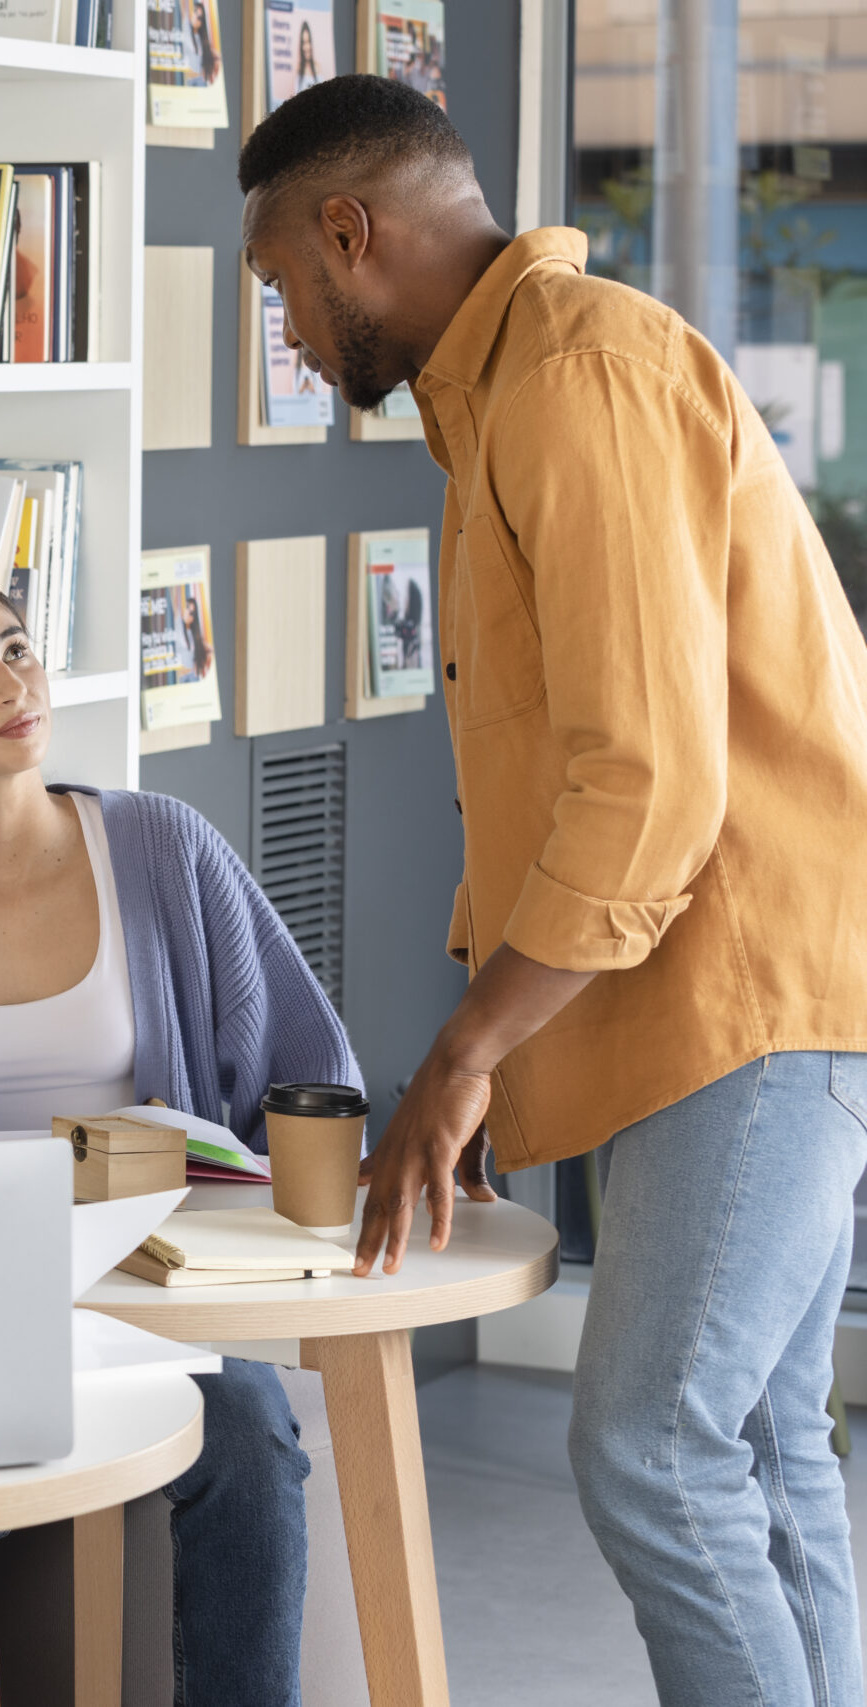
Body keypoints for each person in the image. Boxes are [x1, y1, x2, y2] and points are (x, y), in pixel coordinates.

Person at [239, 75, 867, 1704]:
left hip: (742, 993)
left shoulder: (580, 375)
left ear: (349, 235)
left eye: (284, 295)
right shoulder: (514, 390)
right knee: (762, 1442)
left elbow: (644, 782)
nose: (294, 338)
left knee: (655, 1443)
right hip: (722, 990)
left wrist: (463, 1054)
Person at [0, 563, 351, 1707]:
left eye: (13, 647)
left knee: (247, 1430)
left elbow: (307, 1068)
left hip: (144, 1287)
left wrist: (238, 1179)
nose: (10, 680)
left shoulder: (160, 846)